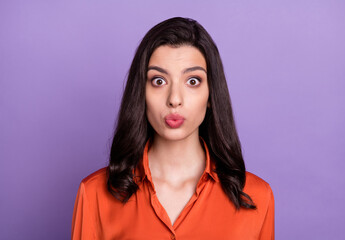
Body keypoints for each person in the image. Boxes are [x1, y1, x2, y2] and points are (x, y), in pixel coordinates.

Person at [71, 17, 274, 240]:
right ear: (141, 92)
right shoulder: (95, 194)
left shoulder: (256, 197)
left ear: (211, 95)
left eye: (193, 81)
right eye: (159, 81)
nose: (174, 99)